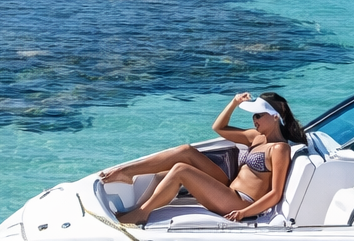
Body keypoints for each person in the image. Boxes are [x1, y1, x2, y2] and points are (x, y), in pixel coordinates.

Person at [103, 92, 306, 226]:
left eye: (258, 115)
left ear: (275, 116)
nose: (254, 120)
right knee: (186, 151)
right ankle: (127, 172)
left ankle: (142, 213)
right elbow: (219, 128)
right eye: (253, 116)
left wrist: (244, 213)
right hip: (228, 188)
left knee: (181, 170)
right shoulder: (256, 137)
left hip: (240, 202)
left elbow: (275, 193)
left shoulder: (280, 149)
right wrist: (234, 103)